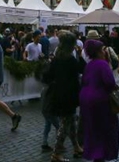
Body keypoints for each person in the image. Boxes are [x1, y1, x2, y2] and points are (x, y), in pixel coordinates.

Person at [42, 31, 84, 162]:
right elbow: (83, 68)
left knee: (71, 122)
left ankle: (76, 146)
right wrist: (80, 55)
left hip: (58, 95)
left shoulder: (56, 59)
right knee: (65, 124)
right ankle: (56, 153)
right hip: (69, 96)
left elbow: (47, 77)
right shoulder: (71, 60)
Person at [79, 39, 119, 162]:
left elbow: (84, 81)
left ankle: (95, 152)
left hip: (86, 99)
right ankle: (100, 153)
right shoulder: (102, 64)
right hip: (100, 100)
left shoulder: (89, 65)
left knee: (92, 128)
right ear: (98, 51)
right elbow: (110, 82)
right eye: (102, 50)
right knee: (104, 128)